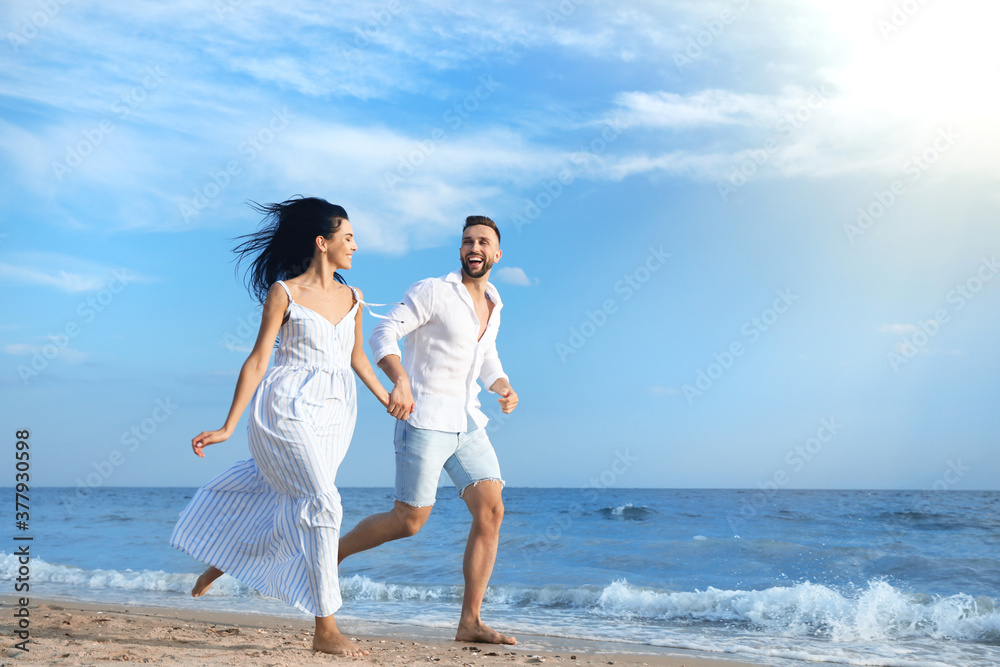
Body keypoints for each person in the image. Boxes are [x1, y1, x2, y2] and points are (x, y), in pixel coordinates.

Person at [170, 197, 389, 656]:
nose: (355, 245)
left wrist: (390, 399)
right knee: (323, 503)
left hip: (335, 412)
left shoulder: (355, 298)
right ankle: (325, 629)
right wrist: (229, 426)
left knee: (281, 493)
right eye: (348, 237)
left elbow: (357, 360)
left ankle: (226, 559)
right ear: (321, 242)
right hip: (284, 406)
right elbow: (257, 360)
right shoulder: (284, 293)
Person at [338, 215, 519, 645]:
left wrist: (503, 385)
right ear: (460, 251)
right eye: (466, 242)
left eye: (482, 242)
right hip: (423, 418)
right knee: (410, 521)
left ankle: (469, 623)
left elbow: (486, 356)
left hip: (468, 422)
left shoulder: (493, 301)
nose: (473, 248)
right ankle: (332, 556)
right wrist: (398, 379)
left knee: (491, 510)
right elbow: (384, 333)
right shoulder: (432, 291)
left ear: (496, 254)